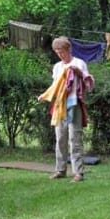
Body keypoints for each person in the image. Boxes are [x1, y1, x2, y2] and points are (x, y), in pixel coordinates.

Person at [38, 36, 94, 182]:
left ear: (69, 49)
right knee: (60, 138)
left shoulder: (79, 63)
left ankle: (78, 173)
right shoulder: (57, 67)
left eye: (61, 51)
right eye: (57, 51)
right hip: (59, 106)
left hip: (74, 104)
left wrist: (78, 73)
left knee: (74, 138)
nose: (59, 54)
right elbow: (55, 86)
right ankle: (60, 170)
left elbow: (88, 82)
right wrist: (44, 95)